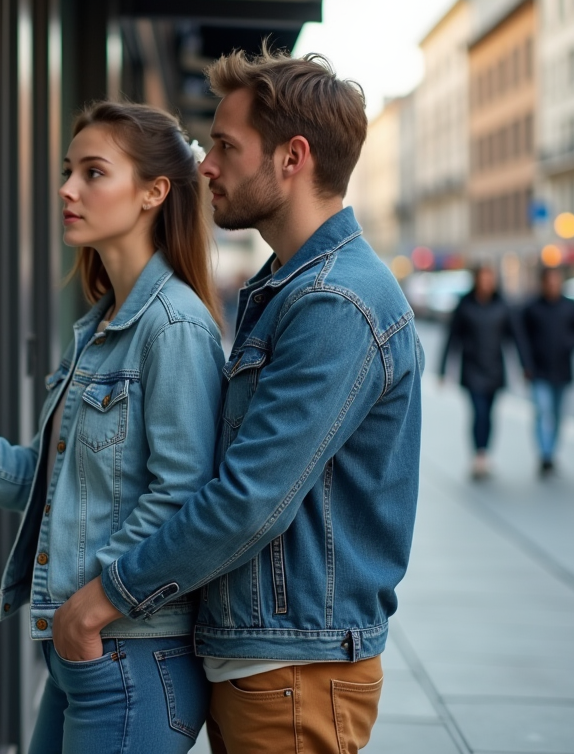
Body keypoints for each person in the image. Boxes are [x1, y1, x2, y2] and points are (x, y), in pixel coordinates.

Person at [53, 50, 423, 754]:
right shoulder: (290, 287)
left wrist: (103, 599)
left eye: (226, 146)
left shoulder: (336, 302)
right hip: (262, 662)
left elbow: (249, 497)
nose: (208, 165)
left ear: (293, 158)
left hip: (292, 669)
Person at [0, 102, 225, 754]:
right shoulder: (100, 329)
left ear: (154, 192)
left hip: (131, 657)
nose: (68, 190)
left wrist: (90, 606)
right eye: (68, 172)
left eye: (93, 172)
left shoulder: (173, 327)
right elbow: (46, 485)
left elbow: (184, 497)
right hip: (87, 653)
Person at [438, 264, 522, 480]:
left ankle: (485, 452)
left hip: (494, 368)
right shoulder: (465, 305)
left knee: (490, 415)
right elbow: (452, 339)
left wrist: (524, 365)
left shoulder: (502, 304)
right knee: (479, 413)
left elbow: (515, 338)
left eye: (490, 278)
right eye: (483, 278)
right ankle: (479, 455)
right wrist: (443, 369)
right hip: (472, 369)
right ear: (476, 280)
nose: (487, 282)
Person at [518, 268, 574, 476]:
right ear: (543, 283)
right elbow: (522, 339)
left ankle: (552, 451)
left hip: (562, 369)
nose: (553, 285)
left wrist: (568, 345)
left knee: (556, 414)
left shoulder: (569, 306)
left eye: (557, 282)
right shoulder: (532, 308)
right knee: (541, 411)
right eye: (550, 282)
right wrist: (526, 364)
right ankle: (544, 454)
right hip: (539, 370)